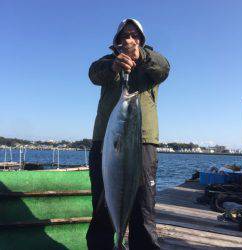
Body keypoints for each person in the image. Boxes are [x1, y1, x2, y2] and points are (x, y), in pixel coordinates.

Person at [86, 18, 170, 250]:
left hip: (143, 142)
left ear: (141, 40)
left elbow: (164, 68)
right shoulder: (106, 62)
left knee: (143, 208)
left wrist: (141, 56)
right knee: (102, 205)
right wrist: (113, 66)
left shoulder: (153, 62)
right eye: (124, 35)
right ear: (117, 41)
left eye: (134, 35)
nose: (129, 39)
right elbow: (93, 74)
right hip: (106, 141)